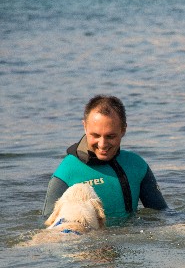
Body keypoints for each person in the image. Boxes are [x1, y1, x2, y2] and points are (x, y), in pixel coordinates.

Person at [42, 95, 168, 226]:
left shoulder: (136, 165)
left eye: (110, 136)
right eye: (95, 135)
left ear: (123, 130)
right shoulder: (67, 172)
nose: (102, 144)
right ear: (85, 127)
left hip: (129, 241)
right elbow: (46, 224)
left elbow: (162, 213)